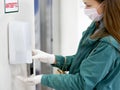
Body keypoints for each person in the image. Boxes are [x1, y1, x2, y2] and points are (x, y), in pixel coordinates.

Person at [17, 0, 120, 90]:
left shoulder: (108, 45)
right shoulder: (97, 26)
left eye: (88, 5)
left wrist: (42, 78)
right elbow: (85, 62)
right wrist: (52, 59)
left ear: (105, 5)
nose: (85, 9)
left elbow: (82, 83)